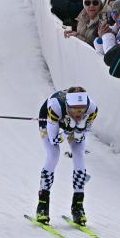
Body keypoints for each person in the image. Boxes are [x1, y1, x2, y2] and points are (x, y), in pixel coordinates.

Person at [36, 87, 99, 225]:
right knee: (53, 154)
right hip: (49, 117)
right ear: (68, 106)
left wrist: (78, 130)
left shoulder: (92, 110)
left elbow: (80, 139)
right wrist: (67, 130)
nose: (79, 113)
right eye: (75, 109)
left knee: (79, 154)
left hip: (67, 122)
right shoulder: (56, 107)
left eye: (82, 109)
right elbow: (53, 140)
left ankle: (78, 207)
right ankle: (42, 206)